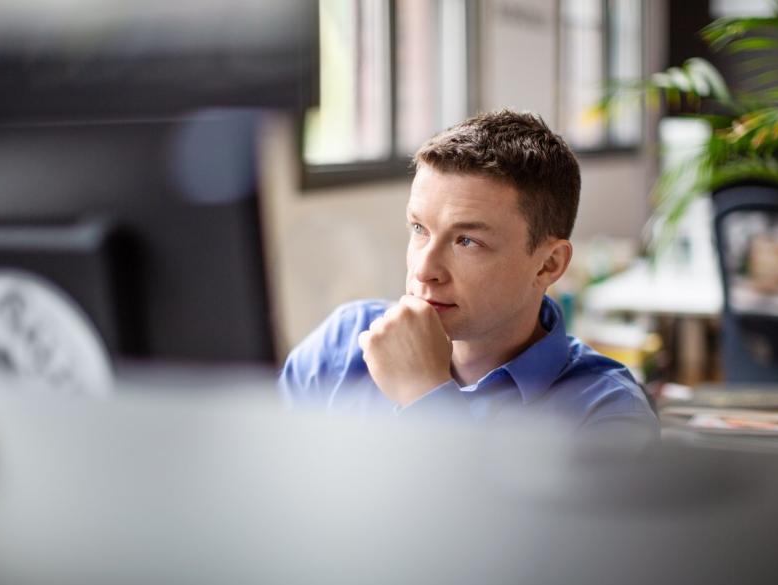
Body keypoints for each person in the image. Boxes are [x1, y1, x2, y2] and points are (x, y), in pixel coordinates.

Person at [279, 109, 656, 433]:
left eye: (467, 242)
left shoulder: (605, 412)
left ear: (548, 264)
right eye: (419, 229)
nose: (425, 270)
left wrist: (425, 395)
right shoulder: (340, 347)